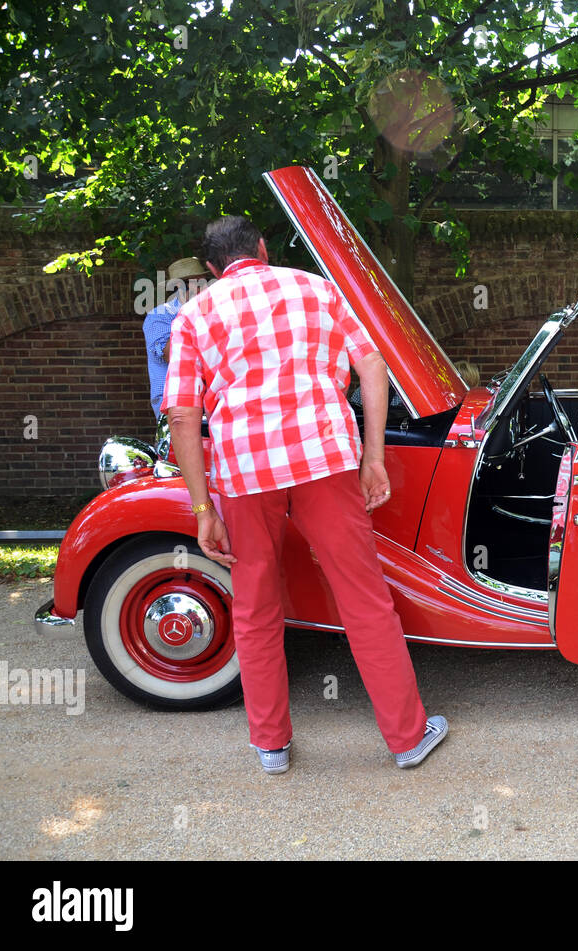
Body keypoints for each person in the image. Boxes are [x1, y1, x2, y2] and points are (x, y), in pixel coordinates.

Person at [161, 215, 446, 775]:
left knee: (255, 607)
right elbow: (372, 365)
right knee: (363, 598)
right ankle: (407, 738)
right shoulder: (317, 289)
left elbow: (182, 415)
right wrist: (373, 456)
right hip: (324, 461)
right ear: (263, 248)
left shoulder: (195, 314)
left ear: (214, 268)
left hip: (244, 474)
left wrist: (202, 509)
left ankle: (270, 746)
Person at [142, 257, 208, 419]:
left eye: (204, 283)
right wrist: (191, 312)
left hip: (209, 405)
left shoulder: (211, 313)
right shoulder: (159, 316)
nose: (202, 289)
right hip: (173, 407)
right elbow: (171, 354)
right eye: (194, 284)